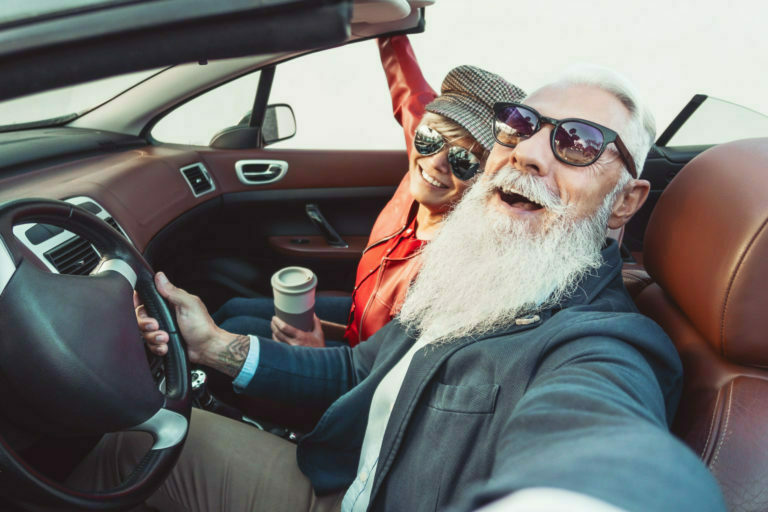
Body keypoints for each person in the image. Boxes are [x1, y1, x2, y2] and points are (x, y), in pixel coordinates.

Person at [74, 67, 726, 512]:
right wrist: (214, 345)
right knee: (134, 439)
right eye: (520, 124)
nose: (529, 153)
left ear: (624, 202)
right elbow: (360, 369)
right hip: (338, 476)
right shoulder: (479, 272)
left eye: (577, 144)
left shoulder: (602, 344)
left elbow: (600, 445)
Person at [212, 35, 526, 348]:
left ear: (488, 181)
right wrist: (393, 27)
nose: (436, 162)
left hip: (365, 368)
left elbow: (385, 376)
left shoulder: (455, 269)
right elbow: (408, 88)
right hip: (361, 317)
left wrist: (316, 350)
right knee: (232, 309)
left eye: (464, 160)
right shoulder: (422, 166)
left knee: (236, 327)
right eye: (430, 138)